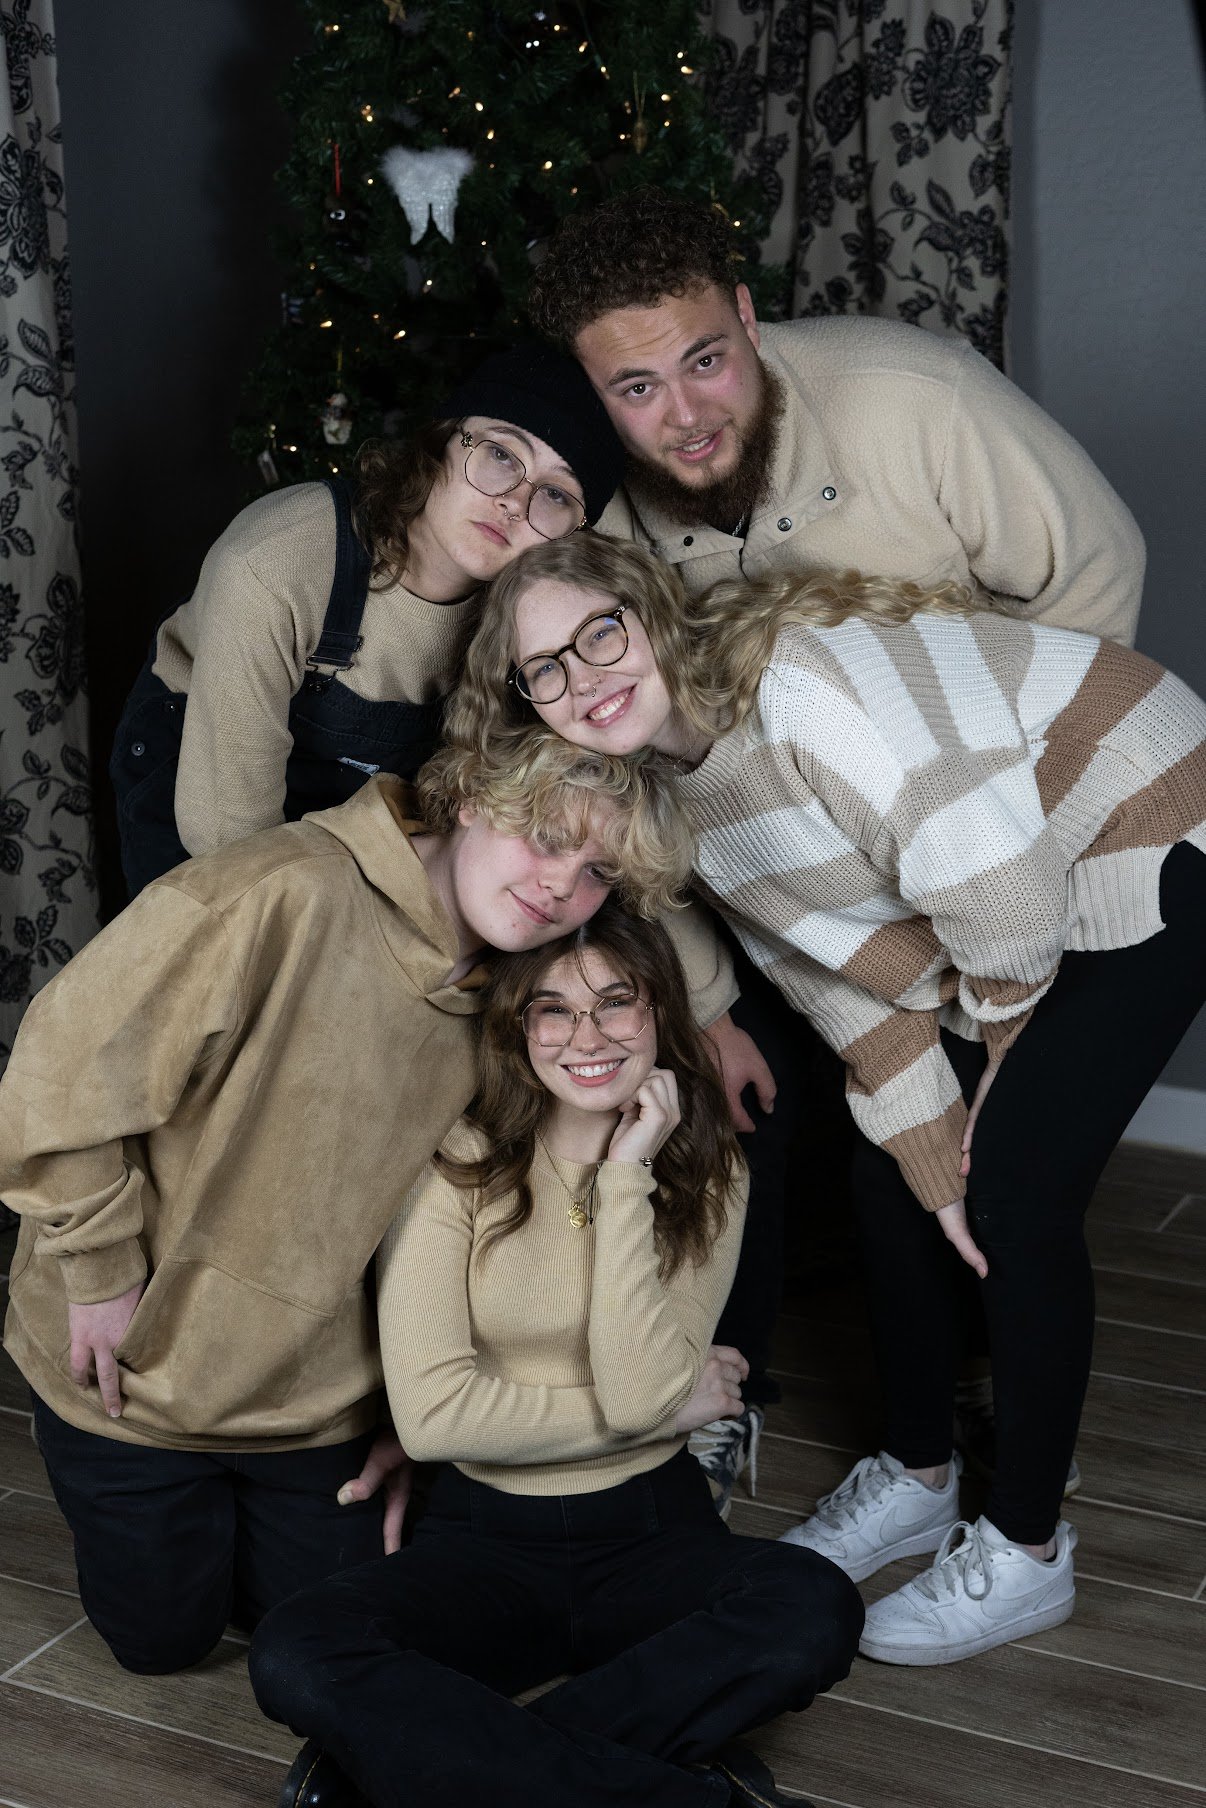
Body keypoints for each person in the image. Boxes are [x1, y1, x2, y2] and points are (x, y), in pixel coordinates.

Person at [447, 530, 1206, 1663]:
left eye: (599, 631)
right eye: (543, 667)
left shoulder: (803, 686)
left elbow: (997, 898)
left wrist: (994, 1090)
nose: (583, 675)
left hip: (1141, 810)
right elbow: (848, 984)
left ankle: (1027, 1549)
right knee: (888, 1169)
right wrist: (924, 1138)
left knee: (1013, 1187)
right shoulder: (668, 798)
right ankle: (917, 1470)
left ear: (653, 614)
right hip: (1013, 894)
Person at [526, 186, 1149, 1503]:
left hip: (1015, 835)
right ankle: (792, 1411)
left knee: (1002, 1152)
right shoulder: (610, 546)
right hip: (802, 869)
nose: (687, 412)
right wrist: (703, 994)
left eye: (707, 358)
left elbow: (1097, 566)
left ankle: (991, 1441)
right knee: (846, 1116)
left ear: (749, 319)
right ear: (596, 404)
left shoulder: (910, 392)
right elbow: (647, 788)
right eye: (636, 390)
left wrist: (1008, 839)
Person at [0, 730, 692, 1676]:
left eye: (597, 870)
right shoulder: (276, 891)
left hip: (315, 1401)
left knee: (325, 1634)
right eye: (542, 833)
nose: (560, 885)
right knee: (164, 1643)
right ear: (472, 798)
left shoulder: (525, 998)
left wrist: (410, 1419)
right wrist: (97, 1267)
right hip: (135, 1372)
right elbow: (57, 1066)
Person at [249, 904, 863, 1808]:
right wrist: (657, 1410)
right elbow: (432, 1419)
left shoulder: (705, 1169)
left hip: (652, 1534)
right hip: (482, 1538)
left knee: (813, 1608)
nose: (589, 1035)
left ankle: (383, 1778)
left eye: (619, 1003)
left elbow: (638, 1385)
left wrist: (624, 1174)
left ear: (660, 1017)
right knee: (296, 1652)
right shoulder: (454, 1160)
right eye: (553, 1010)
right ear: (517, 1028)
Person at [109, 343, 624, 898]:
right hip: (204, 788)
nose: (515, 504)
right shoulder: (279, 559)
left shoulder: (542, 629)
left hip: (363, 829)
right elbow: (226, 840)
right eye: (500, 454)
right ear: (443, 441)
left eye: (554, 494)